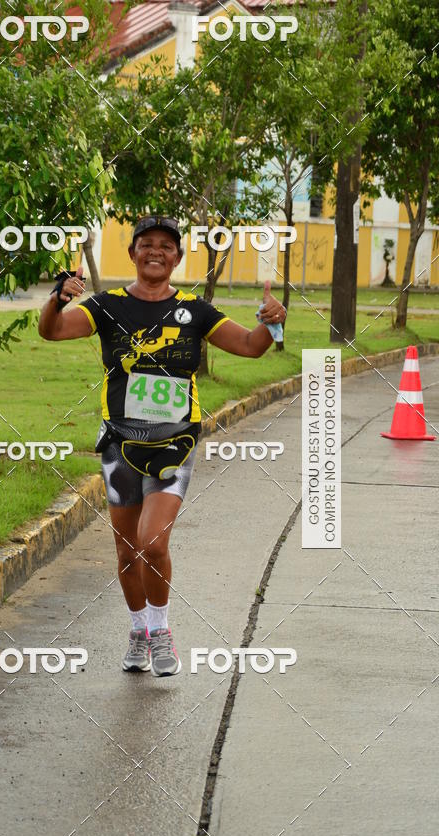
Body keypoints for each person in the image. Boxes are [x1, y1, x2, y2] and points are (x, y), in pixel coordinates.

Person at [39, 216, 287, 676]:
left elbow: (251, 347)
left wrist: (273, 324)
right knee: (125, 551)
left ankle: (160, 630)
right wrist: (57, 299)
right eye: (147, 244)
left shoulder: (196, 310)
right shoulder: (107, 306)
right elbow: (51, 331)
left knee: (152, 542)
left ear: (177, 258)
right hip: (120, 445)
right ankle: (138, 631)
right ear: (132, 253)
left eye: (167, 246)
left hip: (175, 443)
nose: (156, 251)